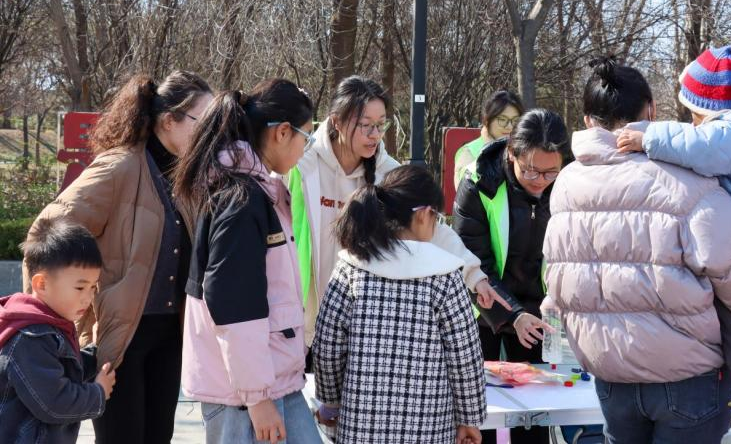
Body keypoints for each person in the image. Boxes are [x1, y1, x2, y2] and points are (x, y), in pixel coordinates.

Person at [543, 56, 731, 443]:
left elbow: (557, 273)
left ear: (587, 121)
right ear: (651, 110)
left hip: (609, 373)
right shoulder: (684, 178)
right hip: (686, 378)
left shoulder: (566, 185)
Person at [24, 70, 214, 444]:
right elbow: (47, 229)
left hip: (170, 339)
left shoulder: (185, 176)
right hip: (119, 341)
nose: (209, 132)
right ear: (169, 120)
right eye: (202, 121)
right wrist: (48, 317)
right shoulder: (120, 166)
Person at [617, 44, 731, 442]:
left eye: (694, 114)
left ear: (713, 109)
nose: (691, 123)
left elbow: (699, 146)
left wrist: (647, 136)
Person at [289, 75, 505, 349]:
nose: (375, 135)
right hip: (300, 324)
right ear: (337, 122)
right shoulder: (300, 166)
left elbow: (432, 226)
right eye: (366, 125)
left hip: (359, 329)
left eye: (381, 124)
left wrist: (475, 276)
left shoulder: (388, 173)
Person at [174, 80, 321, 444]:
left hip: (268, 380)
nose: (306, 149)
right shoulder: (242, 199)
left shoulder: (255, 190)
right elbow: (234, 304)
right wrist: (257, 399)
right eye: (306, 137)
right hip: (245, 396)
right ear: (282, 132)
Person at [313, 165, 486, 444]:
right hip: (430, 427)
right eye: (437, 218)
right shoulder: (445, 274)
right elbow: (465, 357)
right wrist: (469, 418)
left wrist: (331, 400)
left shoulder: (351, 267)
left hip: (360, 424)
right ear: (423, 215)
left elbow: (327, 344)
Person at [453, 108, 565, 444]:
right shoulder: (478, 183)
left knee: (535, 416)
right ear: (511, 152)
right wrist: (512, 314)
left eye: (551, 172)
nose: (540, 181)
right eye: (531, 170)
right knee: (482, 411)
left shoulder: (569, 184)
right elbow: (472, 261)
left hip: (540, 311)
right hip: (485, 307)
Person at [1, 219, 116, 443]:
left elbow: (61, 368)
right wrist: (99, 392)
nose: (88, 297)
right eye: (80, 287)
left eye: (93, 287)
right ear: (41, 284)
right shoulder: (30, 337)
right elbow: (55, 403)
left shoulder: (50, 323)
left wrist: (94, 355)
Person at [453, 89, 524, 190]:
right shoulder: (468, 152)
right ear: (487, 120)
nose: (509, 126)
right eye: (502, 120)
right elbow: (465, 192)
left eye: (515, 120)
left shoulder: (524, 151)